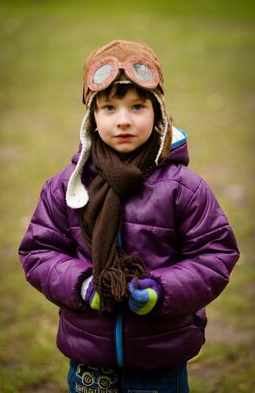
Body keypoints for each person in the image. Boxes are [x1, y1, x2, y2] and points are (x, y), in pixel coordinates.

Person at [19, 40, 239, 393]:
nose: (123, 120)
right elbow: (38, 252)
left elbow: (215, 256)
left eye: (137, 106)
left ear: (158, 114)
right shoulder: (68, 185)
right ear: (92, 117)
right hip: (89, 351)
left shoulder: (184, 188)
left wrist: (160, 291)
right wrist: (82, 285)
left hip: (160, 354)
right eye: (109, 108)